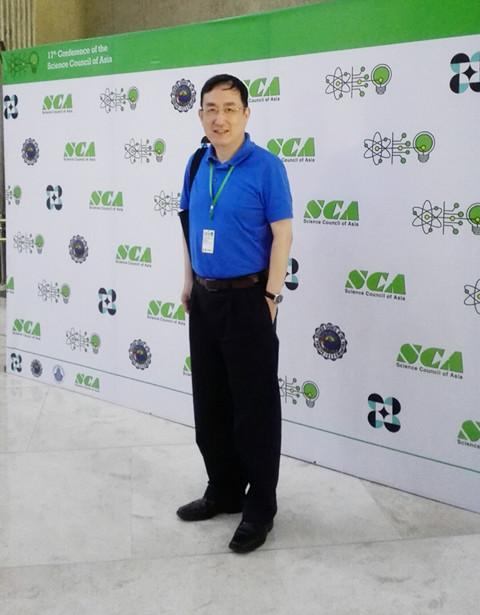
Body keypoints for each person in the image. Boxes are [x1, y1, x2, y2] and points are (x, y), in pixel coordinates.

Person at [177, 74, 293, 553]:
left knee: (254, 410)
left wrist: (271, 297)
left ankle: (259, 508)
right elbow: (189, 227)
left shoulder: (266, 167)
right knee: (211, 404)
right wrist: (188, 281)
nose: (219, 118)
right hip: (204, 300)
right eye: (210, 108)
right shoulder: (195, 163)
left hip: (248, 300)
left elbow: (282, 235)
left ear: (246, 113)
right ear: (200, 114)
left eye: (229, 108)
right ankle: (223, 490)